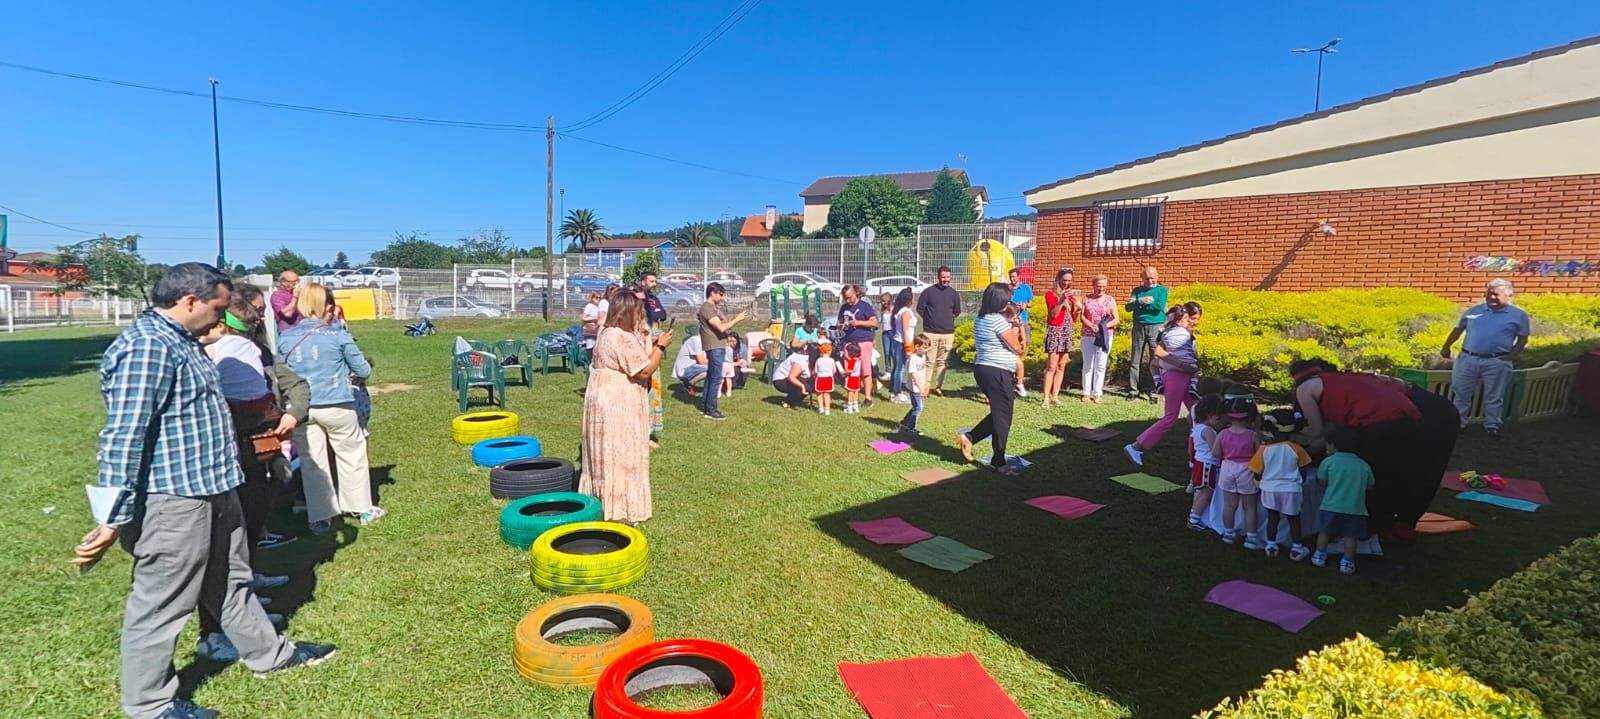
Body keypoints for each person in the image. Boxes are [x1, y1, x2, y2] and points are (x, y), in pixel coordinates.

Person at [74, 263, 334, 719]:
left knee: (232, 581)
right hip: (173, 500)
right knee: (161, 603)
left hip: (214, 487)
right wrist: (111, 517)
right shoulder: (147, 348)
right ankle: (149, 705)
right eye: (216, 307)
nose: (220, 318)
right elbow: (123, 436)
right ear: (189, 301)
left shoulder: (183, 342)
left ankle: (267, 654)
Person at [279, 285, 381, 534]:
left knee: (313, 462)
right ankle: (361, 508)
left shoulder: (285, 338)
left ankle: (320, 517)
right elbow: (363, 371)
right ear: (327, 307)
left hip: (302, 408)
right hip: (337, 404)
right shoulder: (338, 336)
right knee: (351, 455)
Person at [1290, 358, 1424, 539]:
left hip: (1379, 424)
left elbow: (1316, 430)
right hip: (1411, 419)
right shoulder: (1344, 379)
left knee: (1368, 477)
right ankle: (1387, 525)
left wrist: (1289, 428)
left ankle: (1362, 530)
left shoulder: (1305, 387)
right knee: (1392, 475)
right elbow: (1336, 427)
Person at [580, 292, 674, 525]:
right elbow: (643, 369)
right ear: (628, 312)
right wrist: (660, 347)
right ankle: (621, 509)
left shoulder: (607, 333)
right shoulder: (620, 337)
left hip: (602, 396)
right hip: (617, 402)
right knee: (620, 451)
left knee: (605, 451)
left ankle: (599, 502)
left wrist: (648, 341)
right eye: (638, 312)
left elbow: (635, 357)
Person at [1441, 277, 1530, 439]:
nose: (1491, 298)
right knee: (1461, 393)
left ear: (1509, 296)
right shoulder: (1474, 311)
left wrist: (1511, 356)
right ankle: (1459, 423)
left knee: (1494, 395)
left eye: (1496, 294)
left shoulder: (1518, 315)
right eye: (1489, 294)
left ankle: (1492, 426)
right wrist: (1446, 347)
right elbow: (1458, 330)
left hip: (1497, 361)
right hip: (1468, 358)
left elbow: (1523, 338)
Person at [955, 283, 1026, 475]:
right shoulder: (998, 321)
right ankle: (998, 461)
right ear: (999, 300)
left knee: (999, 413)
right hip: (997, 371)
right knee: (1004, 417)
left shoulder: (982, 317)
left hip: (984, 369)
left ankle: (969, 437)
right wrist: (1020, 334)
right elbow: (1017, 349)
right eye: (1006, 298)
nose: (1009, 301)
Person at [1124, 303, 1201, 465]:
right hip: (1175, 376)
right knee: (1170, 418)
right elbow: (1158, 355)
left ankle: (1194, 457)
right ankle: (1136, 447)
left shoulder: (1186, 335)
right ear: (1182, 319)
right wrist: (1180, 365)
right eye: (1191, 319)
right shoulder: (1172, 334)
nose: (1194, 322)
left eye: (1197, 319)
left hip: (1186, 375)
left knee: (1198, 416)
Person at [1251, 409, 1313, 561]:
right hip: (1291, 490)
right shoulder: (1297, 449)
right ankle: (1297, 548)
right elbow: (1303, 470)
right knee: (1294, 519)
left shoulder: (1263, 450)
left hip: (1269, 489)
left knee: (1272, 518)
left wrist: (1258, 482)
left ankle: (1271, 545)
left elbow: (1257, 471)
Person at [1313, 425, 1375, 575]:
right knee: (1351, 537)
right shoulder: (1363, 465)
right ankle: (1347, 563)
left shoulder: (1328, 462)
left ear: (1333, 445)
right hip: (1355, 508)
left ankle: (1319, 555)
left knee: (1324, 532)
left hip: (1330, 505)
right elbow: (1370, 485)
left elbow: (1321, 481)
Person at [1211, 396, 1262, 550]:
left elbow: (1216, 453)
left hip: (1227, 468)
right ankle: (1252, 537)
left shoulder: (1222, 434)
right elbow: (1259, 455)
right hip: (1247, 469)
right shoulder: (1253, 435)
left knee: (1229, 504)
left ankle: (1228, 533)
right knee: (1250, 506)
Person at [696, 282, 745, 421]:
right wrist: (737, 319)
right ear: (712, 293)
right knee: (716, 378)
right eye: (720, 294)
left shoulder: (712, 308)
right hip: (715, 346)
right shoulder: (707, 308)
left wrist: (722, 315)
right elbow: (721, 328)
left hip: (716, 346)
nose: (722, 298)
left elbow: (724, 322)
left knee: (711, 376)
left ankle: (705, 406)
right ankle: (711, 410)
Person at [916, 266, 961, 396]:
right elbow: (920, 309)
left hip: (947, 333)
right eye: (943, 277)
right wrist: (930, 319)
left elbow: (956, 311)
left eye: (947, 277)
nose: (945, 280)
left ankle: (938, 387)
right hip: (930, 333)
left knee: (943, 362)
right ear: (938, 277)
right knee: (929, 361)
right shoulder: (928, 292)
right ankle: (925, 388)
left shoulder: (954, 294)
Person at [1126, 266, 1168, 398]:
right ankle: (1133, 390)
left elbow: (1159, 307)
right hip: (1139, 326)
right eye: (1147, 278)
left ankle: (1153, 390)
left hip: (1156, 326)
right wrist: (1140, 301)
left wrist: (1139, 305)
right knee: (1135, 359)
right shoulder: (1137, 291)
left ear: (1157, 277)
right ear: (1142, 278)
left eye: (1152, 277)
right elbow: (1128, 307)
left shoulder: (1162, 290)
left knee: (1155, 359)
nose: (1150, 280)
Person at [1185, 394, 1225, 532]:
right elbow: (1215, 450)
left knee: (1201, 492)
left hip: (1199, 463)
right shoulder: (1208, 431)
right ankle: (1194, 519)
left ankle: (1193, 515)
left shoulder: (1197, 428)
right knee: (1206, 493)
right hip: (1207, 465)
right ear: (1210, 415)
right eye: (1217, 417)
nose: (1219, 421)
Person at [1041, 268, 1080, 407]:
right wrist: (1061, 301)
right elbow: (1053, 315)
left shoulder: (1071, 296)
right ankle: (1045, 397)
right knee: (1051, 366)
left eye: (1069, 281)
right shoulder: (1050, 294)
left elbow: (1073, 318)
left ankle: (1055, 395)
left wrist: (1078, 310)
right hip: (1056, 330)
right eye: (1064, 280)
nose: (1067, 283)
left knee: (1061, 365)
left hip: (1067, 331)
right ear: (1058, 280)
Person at [1078, 274, 1119, 403]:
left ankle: (1098, 393)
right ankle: (1086, 392)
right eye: (1098, 286)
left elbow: (1116, 319)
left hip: (1105, 335)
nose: (1100, 289)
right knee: (1088, 364)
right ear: (1093, 286)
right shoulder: (1086, 299)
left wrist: (1104, 326)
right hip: (1088, 335)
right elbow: (1082, 317)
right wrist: (1091, 325)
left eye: (1103, 287)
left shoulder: (1110, 299)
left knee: (1100, 365)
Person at [837, 285, 878, 406]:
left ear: (856, 293)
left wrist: (858, 322)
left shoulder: (865, 306)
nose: (848, 301)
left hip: (864, 341)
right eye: (845, 298)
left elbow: (874, 322)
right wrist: (841, 325)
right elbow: (838, 322)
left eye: (849, 297)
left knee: (865, 370)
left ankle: (868, 398)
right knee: (849, 370)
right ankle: (851, 397)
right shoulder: (844, 308)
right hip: (849, 342)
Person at [1009, 268, 1034, 397]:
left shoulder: (1026, 288)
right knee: (1010, 349)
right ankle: (1012, 377)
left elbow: (1031, 303)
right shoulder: (1008, 289)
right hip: (1010, 323)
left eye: (1014, 277)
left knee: (1023, 347)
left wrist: (1025, 305)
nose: (1012, 279)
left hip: (1022, 321)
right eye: (1011, 277)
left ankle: (1019, 374)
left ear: (1019, 277)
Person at [888, 288, 917, 403]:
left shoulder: (901, 310)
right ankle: (897, 393)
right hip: (901, 343)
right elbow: (905, 331)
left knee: (897, 368)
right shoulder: (905, 312)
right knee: (899, 369)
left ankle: (893, 392)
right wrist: (908, 347)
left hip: (898, 342)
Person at [898, 334, 931, 435]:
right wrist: (920, 388)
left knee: (916, 406)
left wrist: (925, 384)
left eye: (928, 347)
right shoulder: (913, 358)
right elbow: (913, 374)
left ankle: (905, 422)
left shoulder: (923, 356)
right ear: (917, 347)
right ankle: (911, 428)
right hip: (914, 387)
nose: (927, 350)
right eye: (925, 348)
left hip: (920, 386)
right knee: (919, 407)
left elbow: (923, 371)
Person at [772, 344, 813, 409]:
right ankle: (788, 401)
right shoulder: (801, 360)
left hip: (793, 378)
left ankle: (795, 400)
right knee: (806, 387)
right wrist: (801, 386)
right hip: (781, 379)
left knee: (811, 385)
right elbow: (791, 377)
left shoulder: (812, 360)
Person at [813, 342, 838, 415]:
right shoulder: (832, 360)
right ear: (830, 351)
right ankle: (827, 410)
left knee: (819, 394)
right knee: (827, 395)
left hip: (820, 378)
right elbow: (834, 370)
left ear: (821, 351)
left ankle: (821, 408)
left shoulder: (818, 360)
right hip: (829, 378)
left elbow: (815, 371)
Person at [841, 342, 864, 413]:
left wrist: (844, 373)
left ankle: (849, 408)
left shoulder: (852, 361)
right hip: (857, 378)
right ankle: (855, 406)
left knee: (850, 393)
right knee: (856, 392)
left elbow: (850, 371)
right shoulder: (859, 360)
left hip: (851, 378)